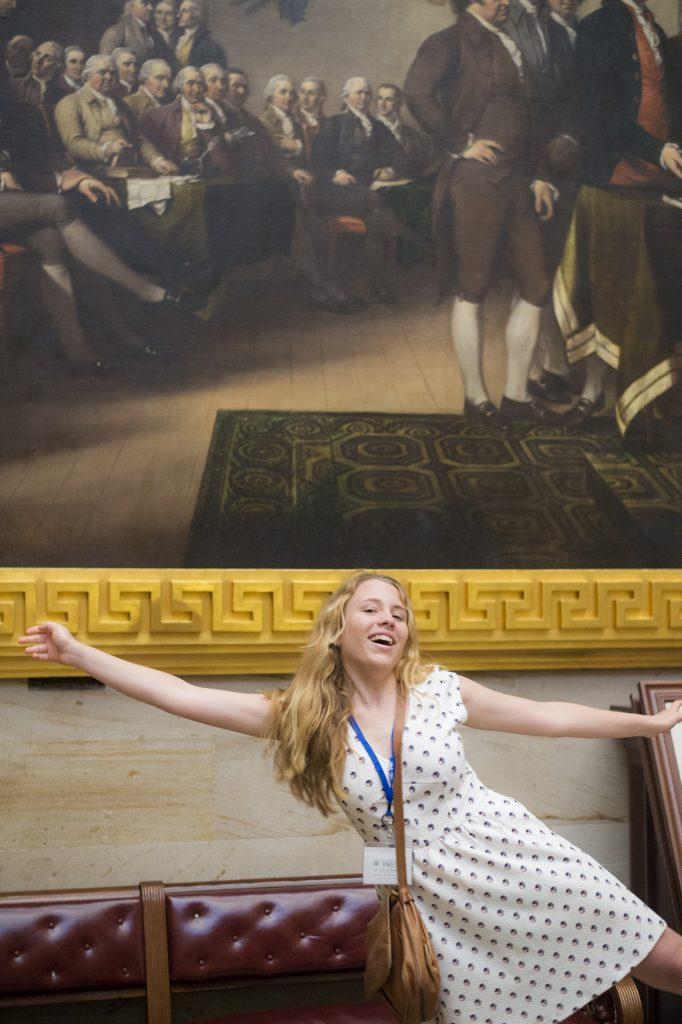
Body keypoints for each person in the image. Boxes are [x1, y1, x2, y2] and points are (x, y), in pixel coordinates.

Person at [18, 571, 682, 1024]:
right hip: (434, 905)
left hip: (520, 859)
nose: (388, 618)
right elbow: (182, 695)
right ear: (339, 629)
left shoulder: (441, 689)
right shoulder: (304, 716)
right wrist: (82, 653)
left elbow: (549, 717)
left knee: (664, 957)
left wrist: (648, 725)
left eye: (399, 612)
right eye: (371, 608)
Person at [404, 0, 561, 429]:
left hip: (518, 183)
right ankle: (476, 398)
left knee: (536, 284)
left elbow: (532, 119)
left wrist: (540, 176)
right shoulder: (448, 41)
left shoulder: (513, 41)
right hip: (476, 183)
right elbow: (415, 93)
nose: (507, 0)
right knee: (472, 288)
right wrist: (460, 142)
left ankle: (516, 395)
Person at [562, 0, 682, 430]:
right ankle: (595, 393)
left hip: (656, 178)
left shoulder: (649, 23)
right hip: (613, 176)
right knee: (608, 286)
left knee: (653, 286)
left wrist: (669, 150)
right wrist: (656, 149)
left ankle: (650, 397)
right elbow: (602, 112)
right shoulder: (600, 26)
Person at [54, 54, 174, 176]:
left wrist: (157, 160)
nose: (108, 77)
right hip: (92, 172)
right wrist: (107, 149)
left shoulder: (120, 103)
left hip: (128, 168)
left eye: (113, 73)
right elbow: (74, 144)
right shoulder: (70, 103)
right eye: (102, 72)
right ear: (88, 75)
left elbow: (139, 138)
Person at [141, 65, 227, 175]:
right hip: (171, 173)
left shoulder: (214, 113)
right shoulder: (162, 114)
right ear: (180, 86)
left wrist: (207, 125)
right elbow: (145, 144)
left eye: (200, 84)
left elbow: (219, 160)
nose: (196, 89)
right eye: (190, 83)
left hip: (202, 175)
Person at [175, 0, 226, 69]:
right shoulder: (175, 38)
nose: (178, 15)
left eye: (184, 12)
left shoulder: (209, 45)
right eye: (179, 11)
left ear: (197, 15)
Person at [294, 75, 327, 160]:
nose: (305, 97)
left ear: (321, 98)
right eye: (302, 92)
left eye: (311, 93)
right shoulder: (291, 119)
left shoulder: (328, 123)